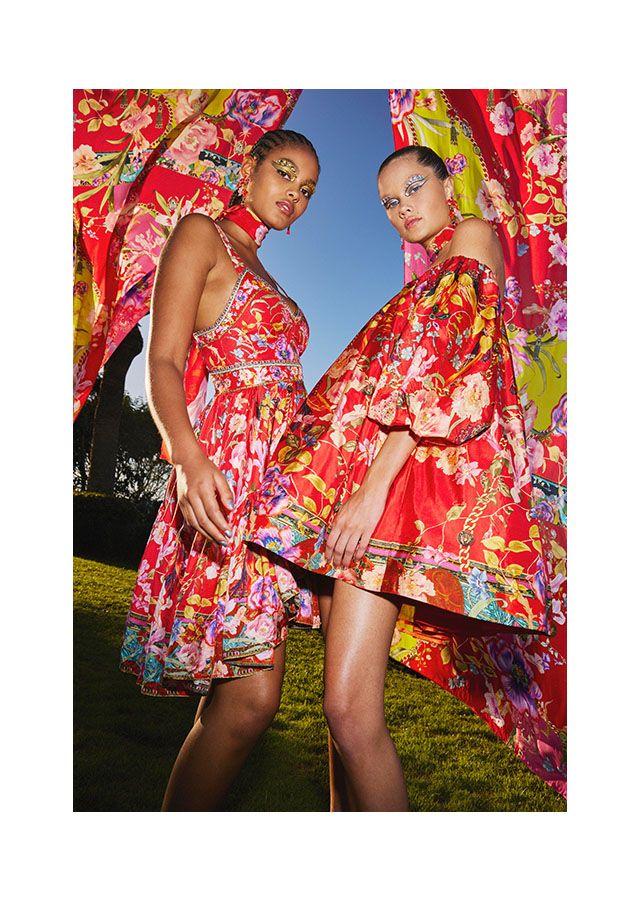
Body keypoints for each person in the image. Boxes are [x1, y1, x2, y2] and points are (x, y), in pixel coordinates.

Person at [246, 146, 547, 811]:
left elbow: (440, 371)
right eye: (389, 200)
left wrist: (371, 491)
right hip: (377, 494)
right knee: (342, 715)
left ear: (448, 182)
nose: (403, 206)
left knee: (350, 713)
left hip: (393, 497)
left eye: (414, 186)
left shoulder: (471, 236)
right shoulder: (442, 263)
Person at [120, 129, 321, 811]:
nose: (293, 194)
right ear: (248, 166)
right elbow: (166, 360)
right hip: (227, 473)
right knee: (250, 699)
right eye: (285, 173)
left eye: (307, 190)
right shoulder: (202, 234)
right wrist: (186, 456)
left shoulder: (267, 271)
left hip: (278, 483)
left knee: (250, 698)